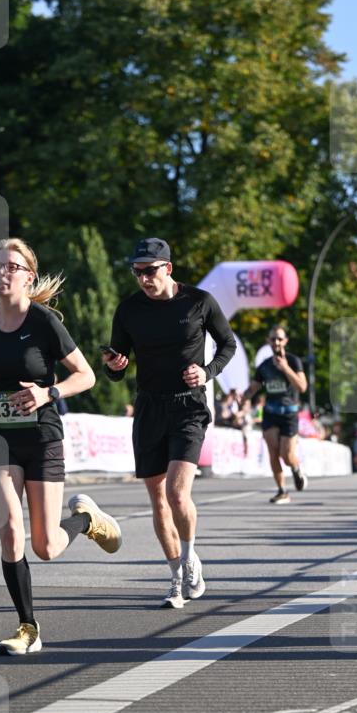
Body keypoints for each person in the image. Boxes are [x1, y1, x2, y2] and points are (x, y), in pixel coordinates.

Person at [0, 237, 121, 654]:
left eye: (11, 267)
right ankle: (28, 627)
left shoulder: (43, 321)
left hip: (43, 434)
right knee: (10, 528)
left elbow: (87, 375)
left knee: (45, 546)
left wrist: (50, 393)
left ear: (28, 277)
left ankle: (84, 519)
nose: (2, 273)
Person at [102, 236, 235, 609]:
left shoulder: (199, 302)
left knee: (178, 493)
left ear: (168, 268)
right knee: (158, 499)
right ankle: (175, 575)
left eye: (150, 271)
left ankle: (190, 557)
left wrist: (207, 373)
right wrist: (115, 366)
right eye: (137, 271)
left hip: (188, 407)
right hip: (148, 407)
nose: (143, 278)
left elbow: (228, 345)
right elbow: (117, 366)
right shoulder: (128, 310)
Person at [245, 325, 308, 503]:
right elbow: (254, 388)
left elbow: (302, 387)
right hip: (271, 413)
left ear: (285, 341)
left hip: (289, 414)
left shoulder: (294, 361)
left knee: (286, 456)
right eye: (273, 339)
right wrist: (244, 397)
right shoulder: (264, 366)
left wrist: (286, 368)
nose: (277, 342)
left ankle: (295, 468)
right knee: (273, 453)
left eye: (280, 339)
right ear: (269, 342)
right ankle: (282, 491)